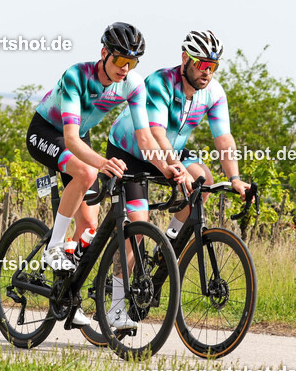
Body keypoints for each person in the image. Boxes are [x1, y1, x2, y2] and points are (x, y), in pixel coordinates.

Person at [24, 22, 184, 329]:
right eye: (120, 60)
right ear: (104, 53)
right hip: (46, 132)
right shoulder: (77, 76)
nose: (125, 68)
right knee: (85, 172)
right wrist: (101, 162)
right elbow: (70, 139)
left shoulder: (133, 86)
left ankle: (67, 294)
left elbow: (145, 138)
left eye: (132, 62)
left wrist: (165, 167)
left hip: (77, 141)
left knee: (89, 225)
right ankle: (53, 246)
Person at [107, 28, 250, 247]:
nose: (207, 73)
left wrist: (235, 179)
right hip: (131, 152)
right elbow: (156, 134)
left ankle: (166, 243)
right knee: (136, 229)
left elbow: (224, 138)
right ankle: (118, 283)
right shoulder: (160, 82)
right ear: (185, 58)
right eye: (202, 65)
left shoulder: (214, 92)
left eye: (213, 67)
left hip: (169, 150)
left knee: (204, 181)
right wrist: (177, 166)